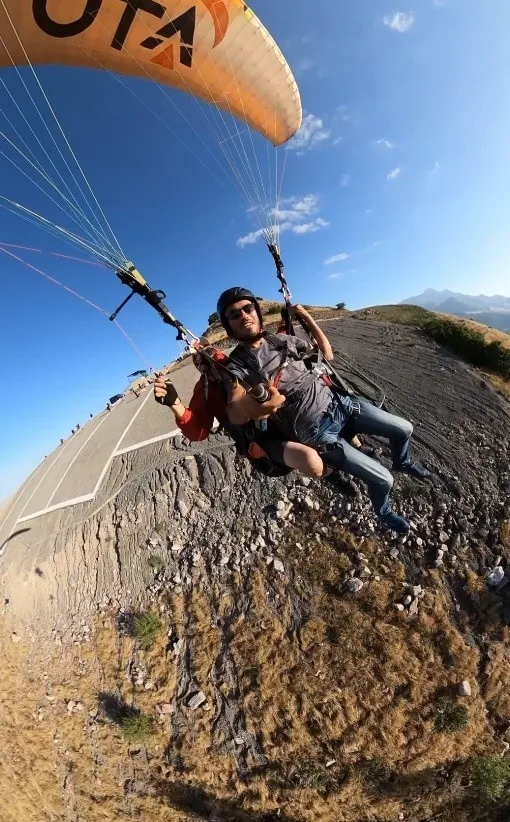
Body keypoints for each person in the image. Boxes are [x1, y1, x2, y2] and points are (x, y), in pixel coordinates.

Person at [216, 287, 430, 534]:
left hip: (342, 404)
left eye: (248, 308)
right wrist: (250, 406)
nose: (244, 316)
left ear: (257, 312)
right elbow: (234, 407)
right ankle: (385, 513)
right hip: (317, 431)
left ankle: (402, 461)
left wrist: (305, 316)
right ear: (229, 326)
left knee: (404, 428)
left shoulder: (282, 341)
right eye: (234, 315)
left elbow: (326, 354)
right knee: (384, 480)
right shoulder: (237, 366)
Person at [154, 347, 354, 485]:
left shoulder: (243, 362)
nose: (209, 360)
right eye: (201, 361)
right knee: (308, 458)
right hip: (261, 441)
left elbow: (274, 350)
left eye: (211, 353)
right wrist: (175, 403)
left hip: (288, 419)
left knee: (342, 419)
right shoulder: (206, 390)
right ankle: (333, 476)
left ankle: (357, 450)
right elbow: (198, 430)